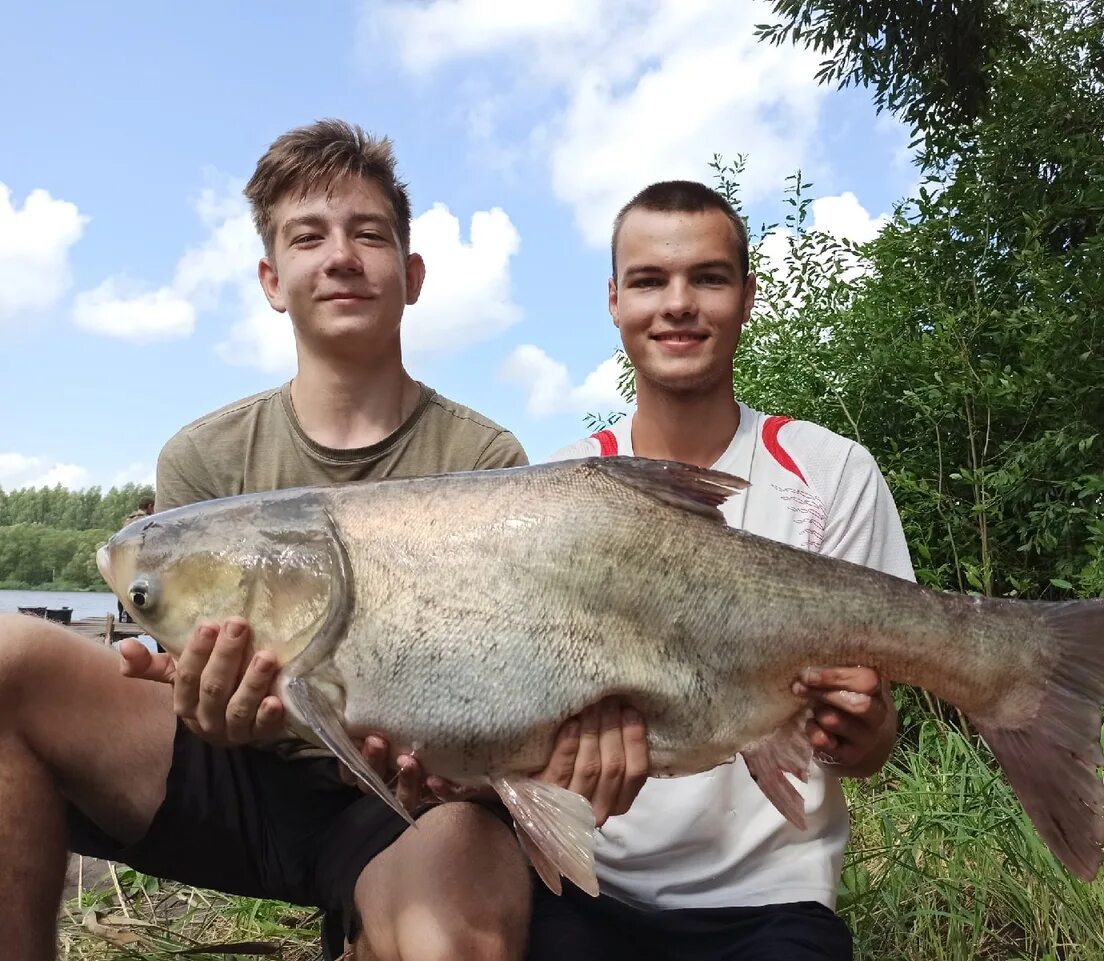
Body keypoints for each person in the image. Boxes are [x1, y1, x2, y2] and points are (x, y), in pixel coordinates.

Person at [0, 120, 647, 961]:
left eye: (368, 233)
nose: (340, 256)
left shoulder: (487, 461)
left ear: (411, 276)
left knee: (452, 922)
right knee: (10, 660)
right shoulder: (202, 457)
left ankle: (372, 920)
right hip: (236, 775)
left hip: (402, 802)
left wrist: (466, 766)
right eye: (308, 236)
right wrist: (189, 700)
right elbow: (184, 689)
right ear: (273, 279)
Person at [530, 180, 915, 960]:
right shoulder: (557, 491)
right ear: (614, 302)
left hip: (773, 901)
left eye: (707, 277)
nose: (677, 303)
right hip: (590, 886)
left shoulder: (831, 471)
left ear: (747, 297)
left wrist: (862, 733)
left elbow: (871, 748)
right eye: (648, 280)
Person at [116, 496, 155, 622]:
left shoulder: (128, 520)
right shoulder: (146, 520)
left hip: (124, 557)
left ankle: (122, 615)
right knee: (137, 587)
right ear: (149, 506)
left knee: (124, 587)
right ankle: (132, 615)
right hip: (138, 557)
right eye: (153, 507)